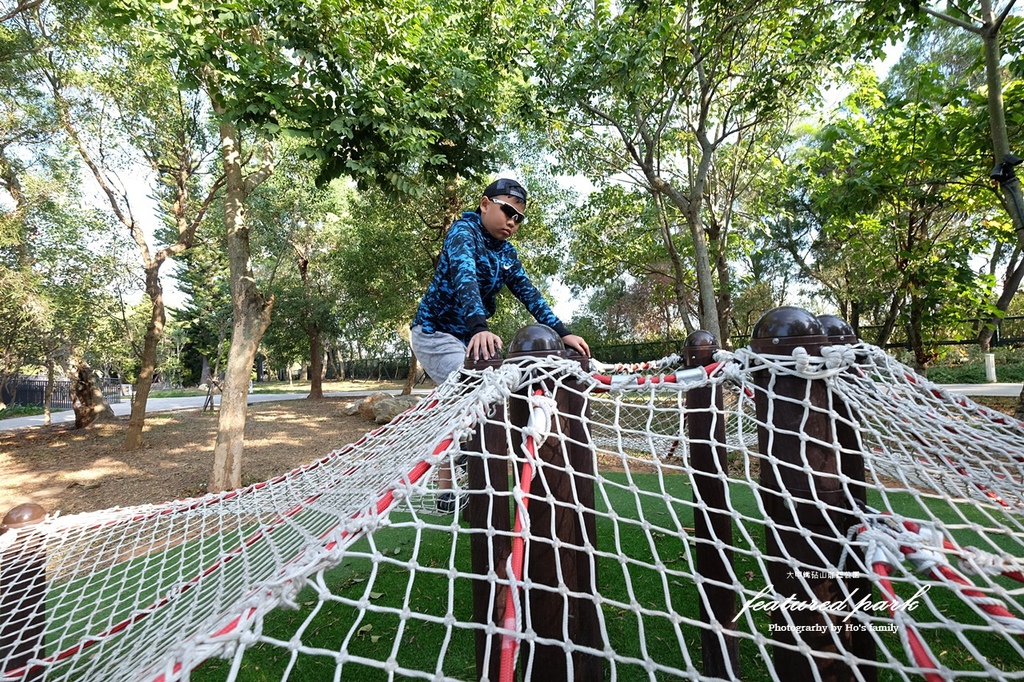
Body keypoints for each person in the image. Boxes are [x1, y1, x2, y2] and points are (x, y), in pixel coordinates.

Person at [410, 178, 590, 512]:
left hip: (464, 338)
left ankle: (447, 492)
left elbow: (528, 292)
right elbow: (464, 276)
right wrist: (479, 326)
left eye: (519, 218)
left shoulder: (506, 253)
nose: (512, 221)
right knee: (474, 388)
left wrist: (562, 331)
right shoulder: (463, 233)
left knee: (460, 406)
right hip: (434, 332)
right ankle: (462, 454)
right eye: (507, 211)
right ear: (484, 204)